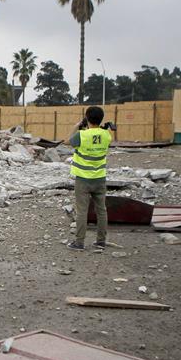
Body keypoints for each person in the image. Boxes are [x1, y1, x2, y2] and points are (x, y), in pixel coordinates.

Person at [67, 106, 112, 251]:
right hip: (100, 178)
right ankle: (101, 241)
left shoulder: (82, 135)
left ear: (87, 118)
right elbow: (102, 138)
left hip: (83, 180)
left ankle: (79, 242)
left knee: (81, 212)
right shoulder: (106, 135)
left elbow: (69, 141)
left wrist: (77, 126)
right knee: (101, 211)